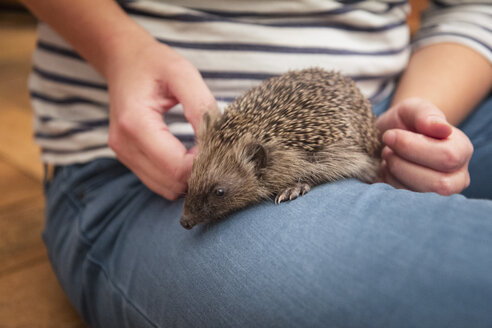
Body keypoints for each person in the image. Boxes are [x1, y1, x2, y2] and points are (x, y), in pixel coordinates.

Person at [20, 0, 492, 326]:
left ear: (265, 167)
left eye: (215, 194)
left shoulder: (283, 159)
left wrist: (417, 129)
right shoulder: (240, 164)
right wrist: (121, 52)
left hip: (401, 103)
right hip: (127, 169)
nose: (192, 218)